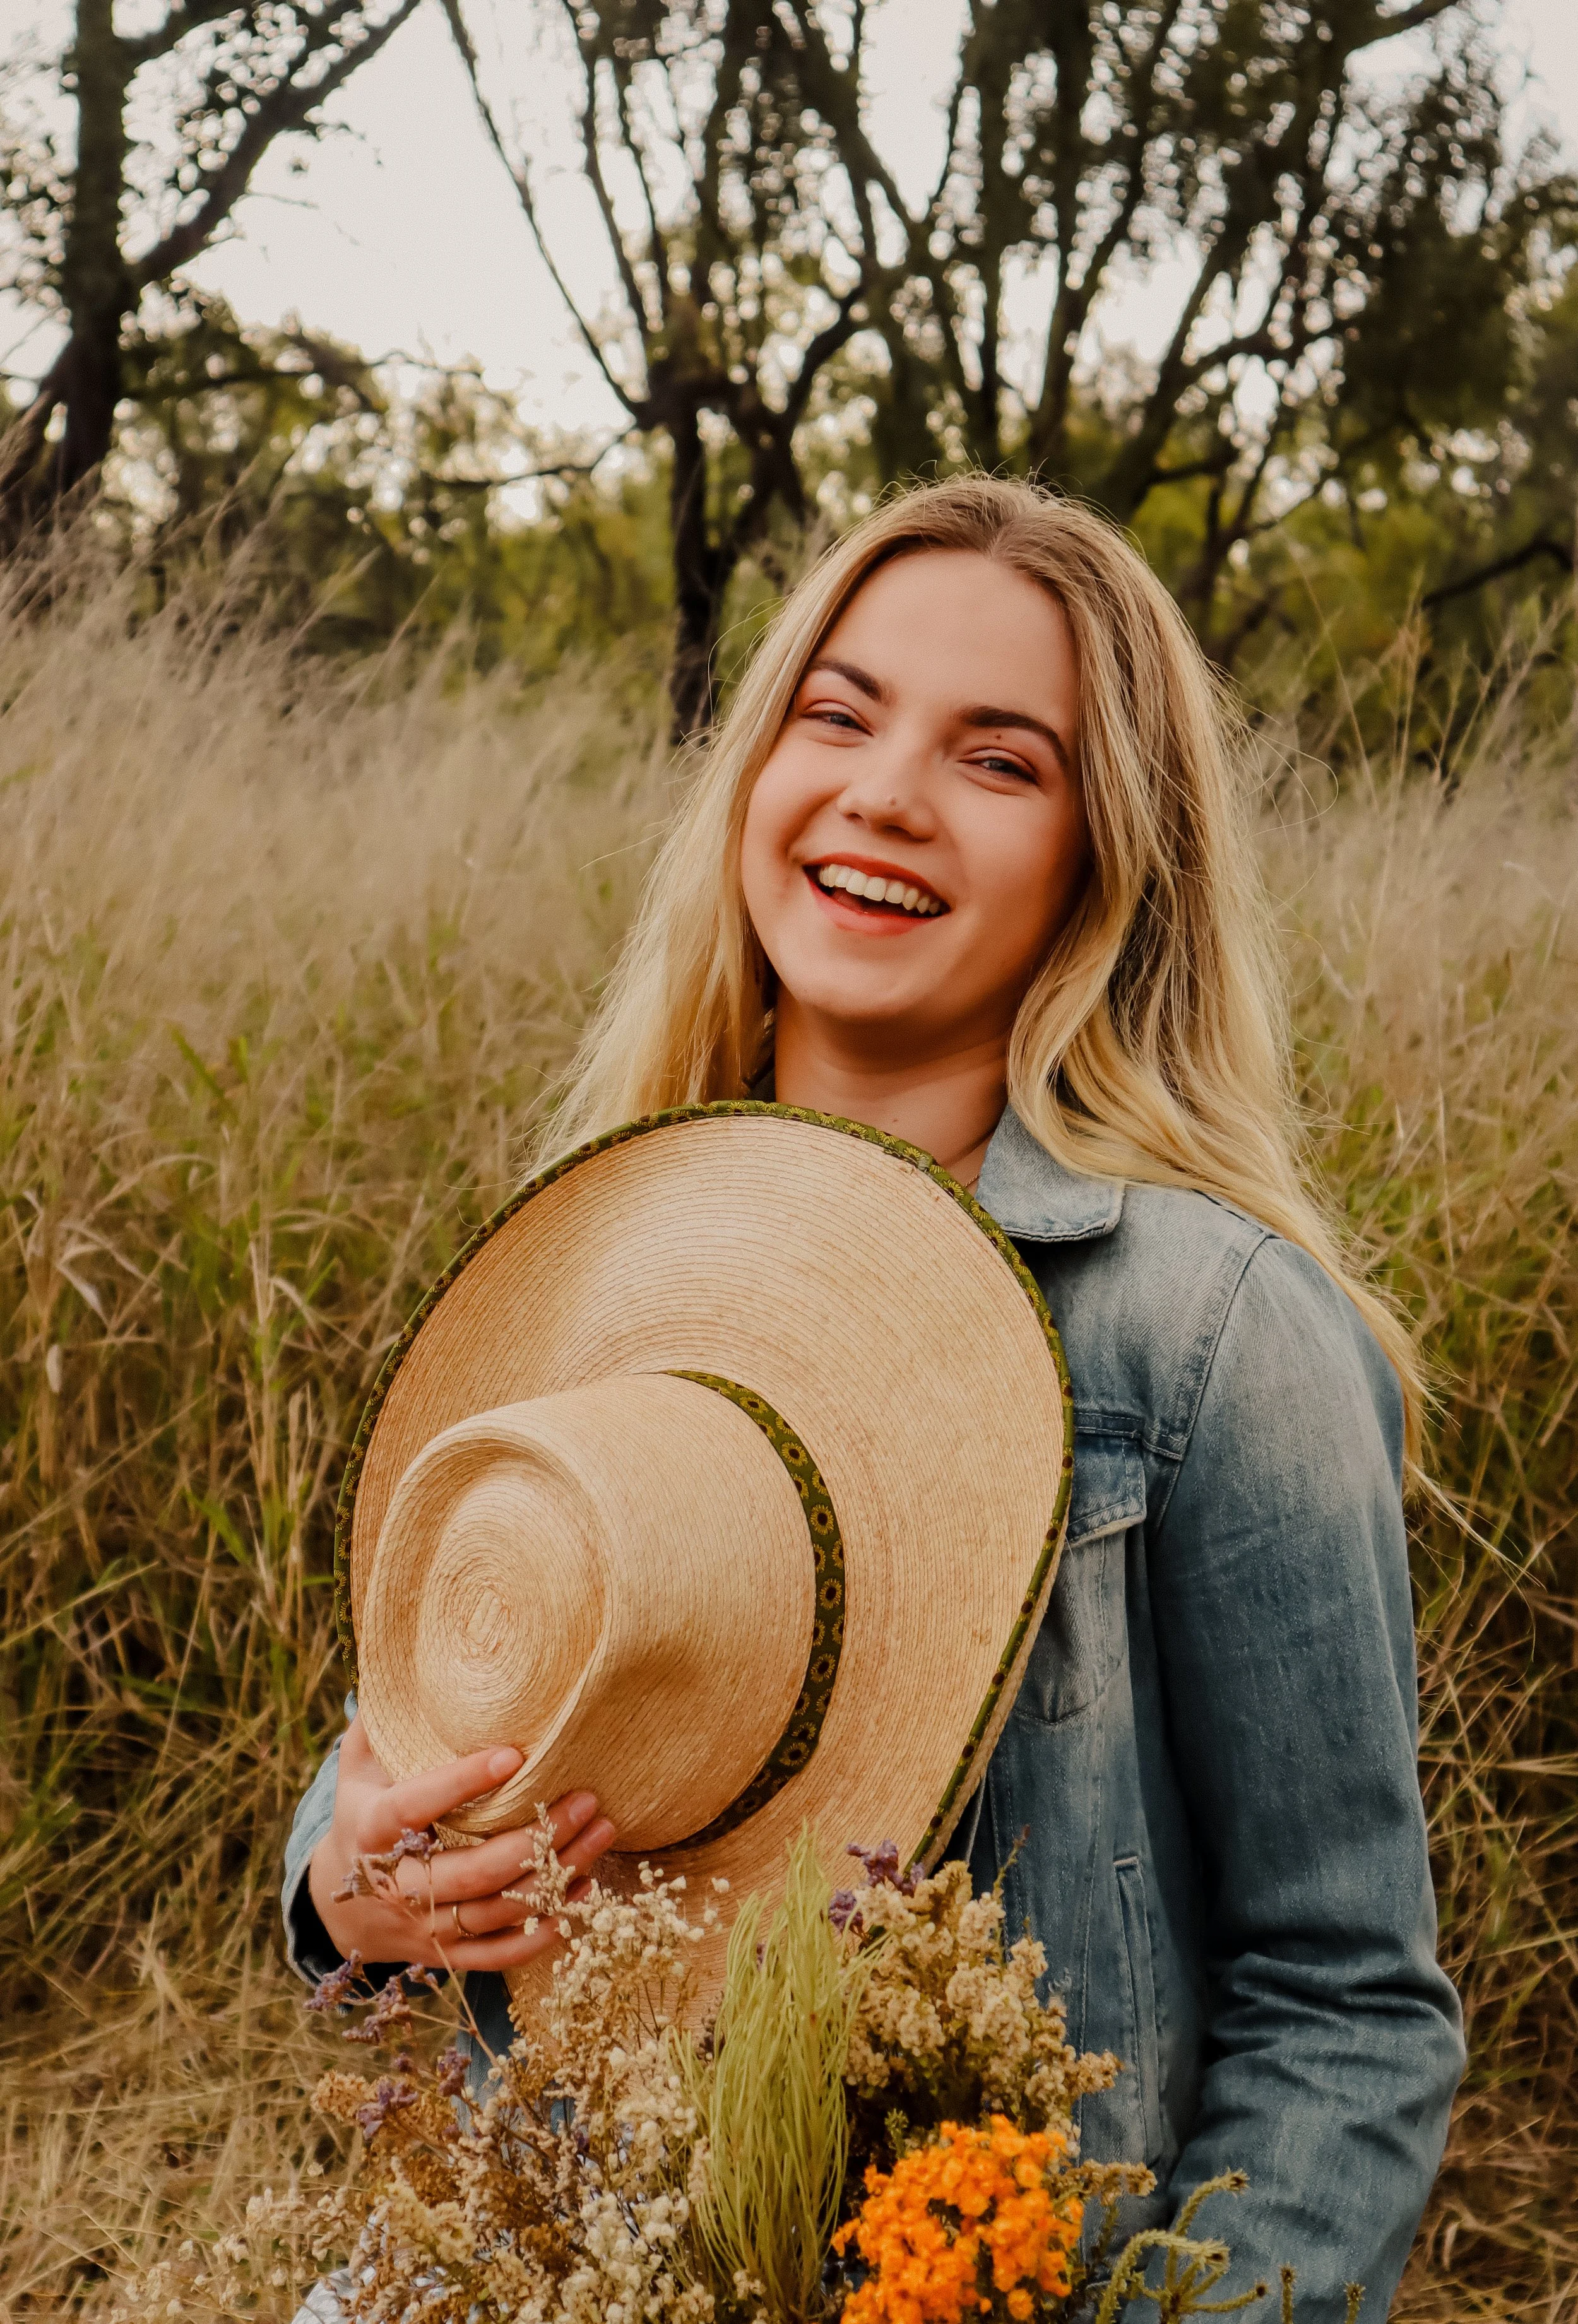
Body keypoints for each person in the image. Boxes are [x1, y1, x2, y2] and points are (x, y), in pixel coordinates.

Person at [283, 475, 1462, 2318]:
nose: (884, 795)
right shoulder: (596, 1270)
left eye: (999, 761)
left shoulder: (1211, 1330)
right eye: (834, 714)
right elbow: (384, 1777)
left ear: (1108, 854)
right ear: (753, 771)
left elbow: (1348, 2005)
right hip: (542, 2266)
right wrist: (356, 1888)